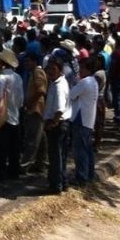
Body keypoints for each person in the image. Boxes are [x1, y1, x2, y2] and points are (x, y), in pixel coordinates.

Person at [0, 48, 24, 182]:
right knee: (13, 148)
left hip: (3, 117)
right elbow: (21, 100)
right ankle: (13, 172)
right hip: (15, 116)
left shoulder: (1, 78)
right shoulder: (18, 77)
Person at [43, 56, 71, 194]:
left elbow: (59, 109)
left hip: (57, 124)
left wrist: (52, 123)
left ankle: (56, 185)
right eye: (49, 68)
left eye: (53, 69)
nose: (50, 71)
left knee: (56, 156)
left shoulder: (59, 86)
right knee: (61, 155)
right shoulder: (56, 82)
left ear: (59, 70)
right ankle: (62, 182)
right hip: (60, 123)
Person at [69, 58, 99, 185]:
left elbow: (71, 94)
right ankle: (89, 174)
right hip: (88, 118)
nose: (80, 71)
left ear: (87, 69)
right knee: (87, 148)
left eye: (82, 69)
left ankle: (81, 176)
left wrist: (74, 83)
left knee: (79, 149)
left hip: (80, 118)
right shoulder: (94, 82)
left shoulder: (85, 82)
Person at [20, 53, 48, 174]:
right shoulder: (33, 73)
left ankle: (24, 165)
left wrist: (30, 103)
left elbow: (41, 90)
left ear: (35, 62)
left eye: (28, 61)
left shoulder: (38, 72)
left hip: (36, 109)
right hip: (35, 108)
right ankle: (40, 163)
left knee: (32, 139)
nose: (26, 64)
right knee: (41, 138)